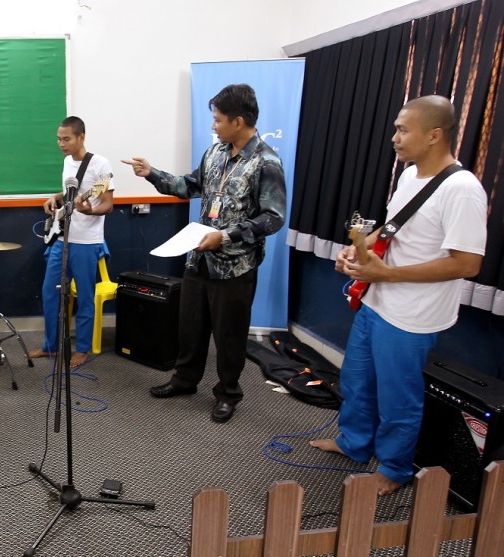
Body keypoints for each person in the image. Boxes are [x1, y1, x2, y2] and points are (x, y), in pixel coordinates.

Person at [310, 95, 487, 496]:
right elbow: (392, 231)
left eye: (403, 129)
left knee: (398, 398)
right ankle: (354, 442)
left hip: (412, 316)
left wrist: (388, 273)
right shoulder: (409, 175)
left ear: (434, 135)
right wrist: (357, 252)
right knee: (356, 379)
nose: (394, 137)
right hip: (377, 303)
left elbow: (467, 263)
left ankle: (394, 469)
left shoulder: (462, 189)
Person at [123, 83, 286, 423]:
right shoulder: (215, 153)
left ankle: (227, 393)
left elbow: (273, 218)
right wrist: (152, 174)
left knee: (229, 335)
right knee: (190, 327)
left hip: (235, 267)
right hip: (198, 259)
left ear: (238, 121)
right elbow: (189, 186)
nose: (213, 125)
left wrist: (225, 237)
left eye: (217, 119)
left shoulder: (266, 162)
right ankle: (184, 380)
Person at [28, 116, 114, 368]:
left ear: (81, 137)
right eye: (58, 138)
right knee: (50, 293)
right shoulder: (67, 162)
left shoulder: (101, 165)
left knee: (85, 297)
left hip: (87, 242)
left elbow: (108, 203)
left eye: (66, 139)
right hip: (61, 239)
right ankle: (51, 346)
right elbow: (71, 194)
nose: (61, 143)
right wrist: (54, 198)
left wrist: (90, 211)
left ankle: (83, 349)